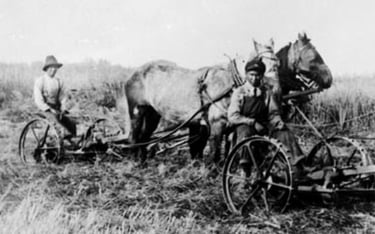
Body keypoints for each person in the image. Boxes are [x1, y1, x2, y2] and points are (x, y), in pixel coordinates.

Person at [227, 58, 305, 174]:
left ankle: (298, 165)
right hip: (244, 126)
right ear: (246, 75)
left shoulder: (266, 92)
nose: (254, 78)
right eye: (251, 75)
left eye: (258, 75)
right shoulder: (240, 92)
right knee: (245, 133)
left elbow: (273, 113)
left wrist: (278, 122)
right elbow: (233, 116)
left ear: (262, 76)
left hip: (264, 126)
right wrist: (252, 122)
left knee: (285, 133)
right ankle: (245, 170)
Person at [34, 55, 77, 141]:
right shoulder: (40, 81)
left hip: (57, 109)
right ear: (47, 68)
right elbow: (38, 100)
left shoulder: (59, 81)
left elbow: (62, 97)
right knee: (57, 124)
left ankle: (72, 143)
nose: (53, 70)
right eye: (51, 67)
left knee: (71, 123)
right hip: (45, 109)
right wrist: (48, 109)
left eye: (55, 67)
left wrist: (63, 108)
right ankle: (57, 141)